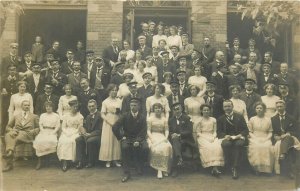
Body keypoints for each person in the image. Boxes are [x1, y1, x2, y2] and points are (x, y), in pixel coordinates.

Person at [112, 98, 148, 182]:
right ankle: (126, 172)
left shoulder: (142, 117)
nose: (133, 107)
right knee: (125, 147)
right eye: (131, 105)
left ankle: (139, 166)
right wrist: (121, 137)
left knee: (145, 148)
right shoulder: (125, 116)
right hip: (127, 138)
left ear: (139, 106)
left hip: (139, 138)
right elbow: (115, 127)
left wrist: (138, 140)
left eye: (135, 105)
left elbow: (144, 131)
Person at [2, 100, 39, 172]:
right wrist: (12, 130)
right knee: (8, 135)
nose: (27, 107)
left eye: (28, 105)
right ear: (21, 106)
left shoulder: (34, 116)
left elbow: (38, 128)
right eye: (25, 105)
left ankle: (9, 156)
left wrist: (33, 131)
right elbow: (8, 126)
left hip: (27, 134)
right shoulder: (16, 116)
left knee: (11, 137)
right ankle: (10, 152)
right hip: (16, 133)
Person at [217, 100, 248, 179]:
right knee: (226, 144)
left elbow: (245, 130)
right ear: (223, 108)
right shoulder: (220, 118)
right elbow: (219, 132)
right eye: (225, 106)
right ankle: (228, 165)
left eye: (229, 106)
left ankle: (235, 167)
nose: (227, 108)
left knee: (239, 144)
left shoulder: (239, 116)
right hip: (227, 138)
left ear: (232, 106)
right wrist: (225, 136)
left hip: (238, 137)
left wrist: (240, 135)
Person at [194, 104, 224, 176]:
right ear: (201, 111)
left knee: (217, 146)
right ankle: (212, 167)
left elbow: (215, 131)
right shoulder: (199, 120)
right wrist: (206, 138)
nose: (206, 111)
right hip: (202, 137)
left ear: (210, 111)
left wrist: (213, 137)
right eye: (204, 110)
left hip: (212, 136)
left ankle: (215, 168)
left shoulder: (213, 119)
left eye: (207, 110)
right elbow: (198, 132)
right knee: (208, 147)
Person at [272, 100, 299, 176]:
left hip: (292, 138)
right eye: (278, 107)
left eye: (281, 106)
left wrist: (288, 134)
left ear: (285, 107)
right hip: (280, 139)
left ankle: (283, 154)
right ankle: (289, 171)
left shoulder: (291, 118)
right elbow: (273, 131)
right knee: (287, 146)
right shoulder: (273, 119)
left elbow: (297, 131)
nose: (279, 108)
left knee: (287, 139)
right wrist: (275, 136)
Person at [168, 103, 195, 177]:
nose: (176, 111)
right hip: (175, 140)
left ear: (181, 109)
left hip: (186, 140)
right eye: (174, 109)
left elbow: (189, 131)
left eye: (178, 109)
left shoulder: (187, 118)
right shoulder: (171, 120)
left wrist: (179, 135)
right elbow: (169, 131)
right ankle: (179, 158)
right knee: (175, 141)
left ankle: (176, 167)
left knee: (175, 143)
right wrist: (172, 134)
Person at [147, 103, 173, 179]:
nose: (158, 110)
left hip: (162, 136)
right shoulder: (150, 119)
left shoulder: (164, 119)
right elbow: (148, 131)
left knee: (167, 146)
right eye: (156, 108)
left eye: (159, 108)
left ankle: (164, 168)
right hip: (153, 136)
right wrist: (152, 139)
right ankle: (159, 170)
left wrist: (166, 137)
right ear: (153, 110)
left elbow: (166, 130)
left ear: (162, 110)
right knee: (157, 148)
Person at [99, 84, 122, 168]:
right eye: (112, 90)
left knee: (116, 140)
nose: (114, 92)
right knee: (108, 140)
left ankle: (116, 159)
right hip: (108, 122)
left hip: (117, 120)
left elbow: (121, 112)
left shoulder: (119, 101)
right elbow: (102, 114)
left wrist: (119, 121)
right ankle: (108, 160)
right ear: (109, 91)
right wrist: (109, 121)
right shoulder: (105, 101)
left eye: (116, 90)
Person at [57, 100, 84, 172]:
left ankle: (73, 160)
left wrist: (73, 133)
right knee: (63, 141)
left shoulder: (80, 116)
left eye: (76, 107)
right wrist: (66, 133)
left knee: (72, 141)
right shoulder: (66, 116)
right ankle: (65, 162)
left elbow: (80, 127)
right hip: (66, 131)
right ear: (70, 107)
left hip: (75, 132)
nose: (75, 108)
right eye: (73, 107)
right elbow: (63, 127)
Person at [247, 102, 274, 174]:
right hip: (254, 137)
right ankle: (257, 168)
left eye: (261, 108)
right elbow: (250, 132)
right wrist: (256, 138)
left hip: (265, 137)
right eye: (257, 108)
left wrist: (266, 139)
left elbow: (270, 132)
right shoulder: (252, 119)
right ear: (255, 110)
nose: (259, 110)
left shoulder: (268, 119)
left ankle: (266, 169)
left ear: (264, 109)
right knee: (257, 146)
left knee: (267, 146)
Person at [33, 101, 60, 170]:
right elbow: (40, 125)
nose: (48, 108)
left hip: (52, 131)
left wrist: (53, 132)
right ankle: (39, 161)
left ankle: (51, 160)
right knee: (39, 141)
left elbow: (57, 126)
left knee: (51, 140)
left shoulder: (56, 115)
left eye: (50, 106)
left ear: (52, 107)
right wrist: (43, 131)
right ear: (45, 107)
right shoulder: (42, 115)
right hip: (43, 131)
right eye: (47, 106)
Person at [75, 99, 102, 169]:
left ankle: (91, 161)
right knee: (78, 139)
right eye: (89, 106)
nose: (91, 108)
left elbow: (100, 130)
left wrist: (90, 134)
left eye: (93, 106)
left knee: (90, 141)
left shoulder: (100, 115)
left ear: (96, 106)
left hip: (97, 135)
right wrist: (83, 131)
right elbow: (85, 127)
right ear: (87, 107)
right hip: (88, 135)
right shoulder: (88, 116)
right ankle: (80, 161)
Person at [1, 64, 19, 134]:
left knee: (15, 117)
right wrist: (2, 90)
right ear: (8, 71)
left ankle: (14, 133)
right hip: (6, 102)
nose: (12, 71)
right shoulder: (4, 80)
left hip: (15, 102)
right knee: (5, 117)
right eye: (11, 70)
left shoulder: (18, 80)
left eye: (14, 69)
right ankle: (2, 134)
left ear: (16, 71)